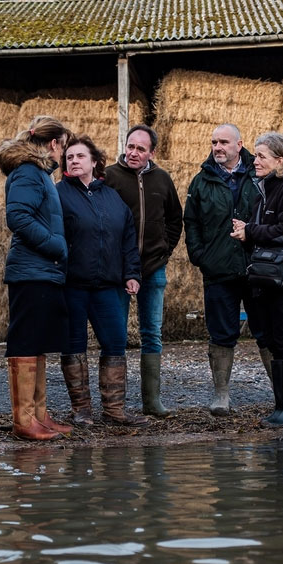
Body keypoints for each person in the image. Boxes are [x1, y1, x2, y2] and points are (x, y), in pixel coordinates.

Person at [57, 135, 148, 427]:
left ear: (94, 162)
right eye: (69, 157)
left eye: (79, 156)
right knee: (73, 344)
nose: (73, 161)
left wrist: (132, 273)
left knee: (115, 343)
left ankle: (114, 410)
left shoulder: (112, 197)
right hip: (72, 285)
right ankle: (82, 410)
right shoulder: (58, 194)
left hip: (108, 286)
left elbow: (128, 239)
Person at [0, 115, 74, 441]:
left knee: (38, 342)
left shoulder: (38, 174)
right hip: (31, 270)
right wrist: (56, 245)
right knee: (26, 341)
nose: (64, 155)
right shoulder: (28, 171)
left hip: (43, 270)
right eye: (63, 147)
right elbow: (18, 216)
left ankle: (38, 414)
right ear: (53, 143)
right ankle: (24, 420)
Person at [184, 123, 271, 416]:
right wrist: (199, 255)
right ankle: (221, 394)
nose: (217, 147)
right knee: (221, 333)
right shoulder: (201, 181)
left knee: (266, 330)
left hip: (256, 267)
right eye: (213, 142)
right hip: (218, 268)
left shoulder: (259, 174)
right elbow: (191, 222)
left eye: (223, 142)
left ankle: (282, 394)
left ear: (239, 144)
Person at [230, 132, 283, 428]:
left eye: (262, 155)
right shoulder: (263, 190)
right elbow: (265, 233)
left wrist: (251, 231)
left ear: (281, 160)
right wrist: (246, 231)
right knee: (275, 342)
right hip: (265, 279)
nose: (256, 161)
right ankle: (281, 407)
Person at [104, 124, 183, 418]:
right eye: (130, 146)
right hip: (119, 270)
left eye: (140, 148)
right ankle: (116, 404)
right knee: (117, 333)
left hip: (153, 268)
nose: (133, 152)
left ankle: (152, 401)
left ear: (152, 152)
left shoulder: (162, 179)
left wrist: (164, 250)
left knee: (152, 332)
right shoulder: (109, 177)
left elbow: (176, 219)